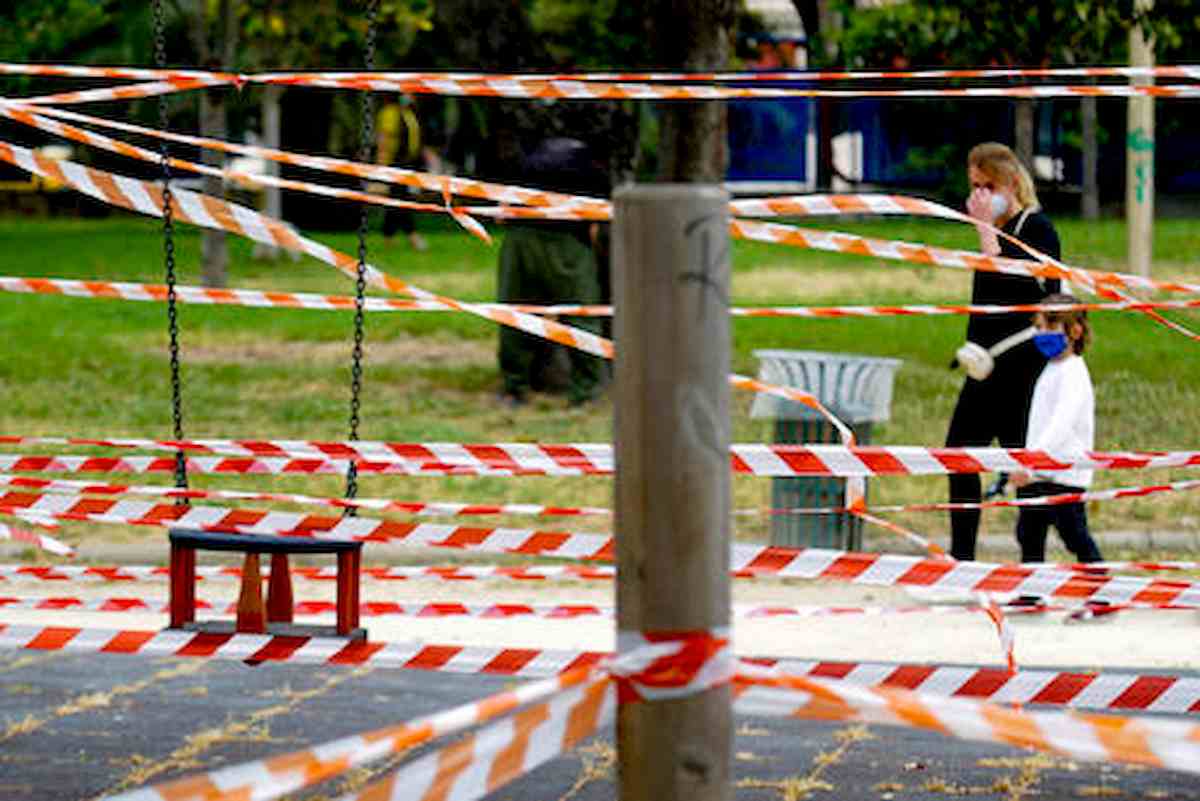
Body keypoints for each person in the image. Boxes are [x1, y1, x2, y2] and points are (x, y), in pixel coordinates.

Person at [946, 142, 1062, 560]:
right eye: (974, 187)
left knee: (1026, 469)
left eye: (987, 186)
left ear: (1010, 183)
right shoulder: (994, 233)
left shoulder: (1038, 229)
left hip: (1022, 367)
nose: (979, 196)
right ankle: (962, 562)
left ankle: (1033, 567)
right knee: (958, 456)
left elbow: (1016, 287)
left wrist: (983, 232)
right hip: (985, 366)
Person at [497, 136, 606, 407]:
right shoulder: (591, 164)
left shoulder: (524, 156)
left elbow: (500, 212)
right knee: (582, 317)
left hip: (520, 238)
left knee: (516, 316)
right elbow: (595, 223)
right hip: (568, 243)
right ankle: (586, 393)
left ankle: (514, 388)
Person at [1010, 294, 1103, 564]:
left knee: (1074, 536)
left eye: (1050, 327)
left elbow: (1060, 425)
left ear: (1075, 331)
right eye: (1038, 328)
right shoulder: (1051, 369)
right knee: (1029, 535)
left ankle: (1101, 588)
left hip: (1063, 475)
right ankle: (1032, 593)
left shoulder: (1073, 373)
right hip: (1038, 473)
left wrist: (1030, 462)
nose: (1042, 334)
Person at [375, 94, 432, 252]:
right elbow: (384, 137)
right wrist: (381, 164)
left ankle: (388, 237)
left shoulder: (408, 113)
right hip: (394, 162)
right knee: (401, 199)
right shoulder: (390, 112)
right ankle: (413, 236)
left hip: (407, 163)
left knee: (395, 201)